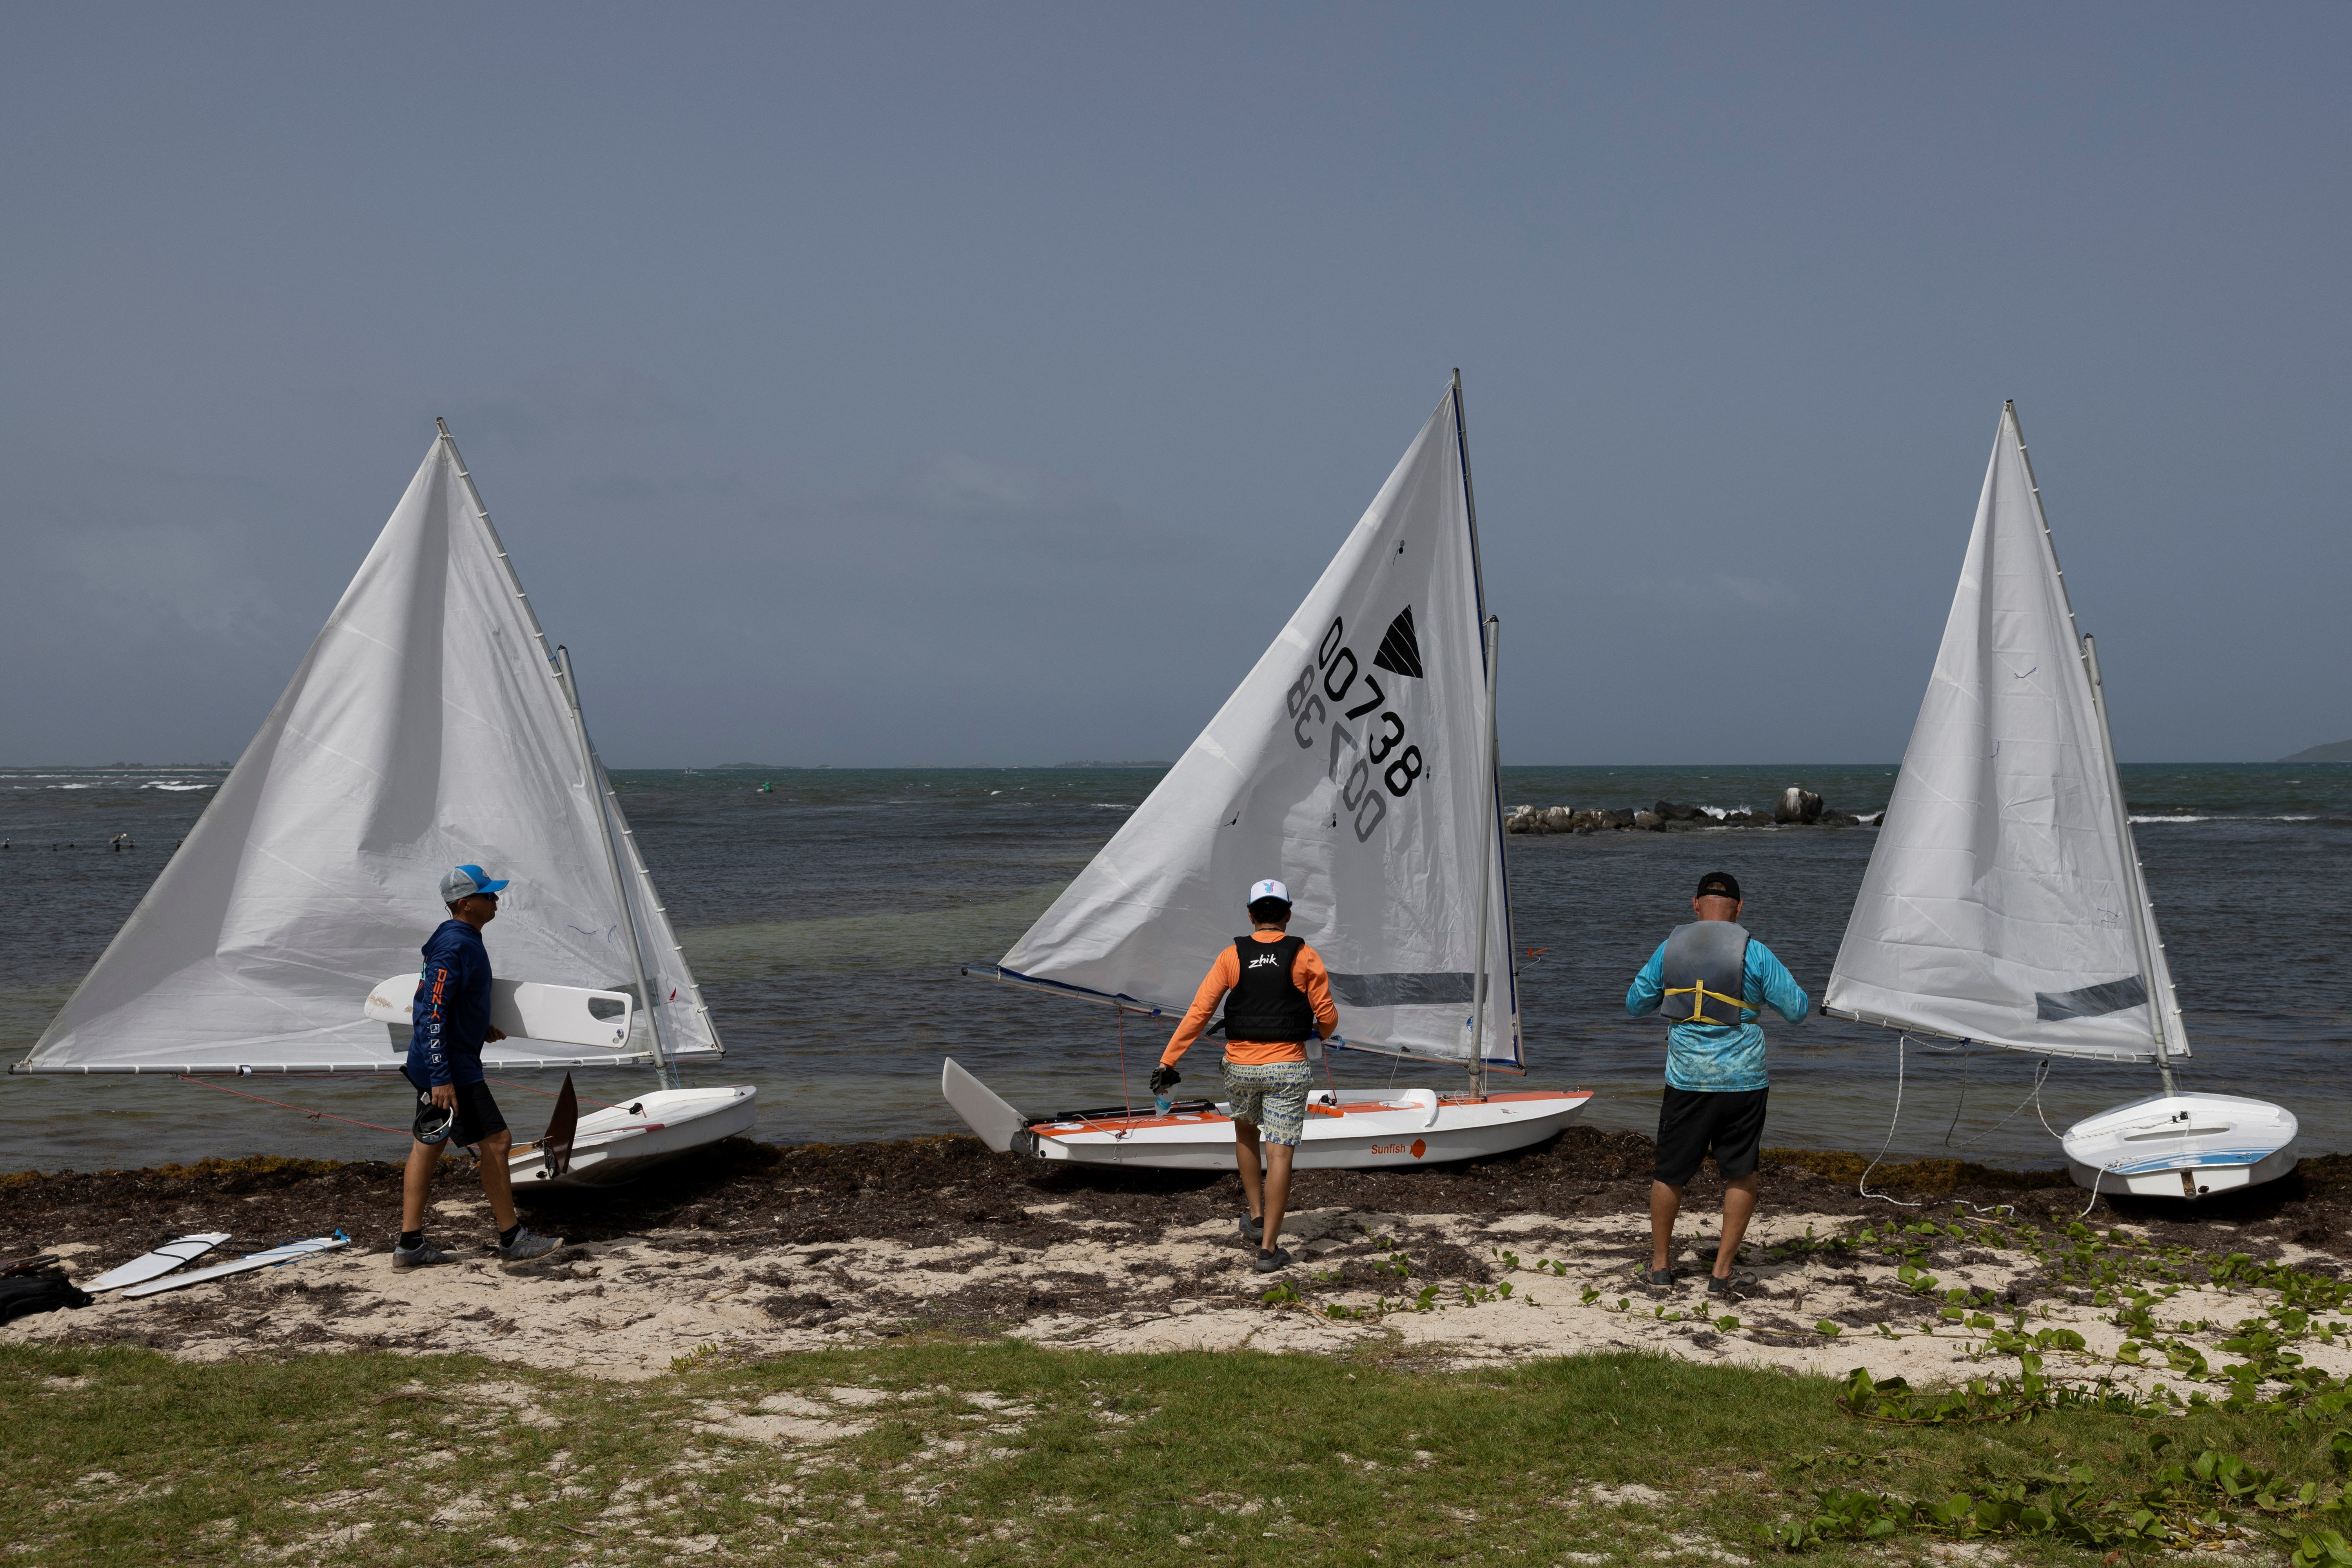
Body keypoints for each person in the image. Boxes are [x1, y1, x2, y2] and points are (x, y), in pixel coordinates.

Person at [1624, 870, 1808, 1298]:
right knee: (1740, 1172)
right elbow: (1797, 1010)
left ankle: (1660, 1268)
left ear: (1695, 905)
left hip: (1687, 1079)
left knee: (1670, 1172)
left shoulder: (1669, 949)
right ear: (1740, 908)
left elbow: (1636, 1004)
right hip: (1744, 1080)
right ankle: (1721, 1273)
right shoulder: (1756, 953)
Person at [1149, 878, 1341, 1274]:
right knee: (1281, 1151)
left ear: (1252, 915)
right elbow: (1328, 1019)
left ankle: (1255, 1217)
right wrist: (1315, 1034)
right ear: (1287, 914)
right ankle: (1269, 1250)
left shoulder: (1231, 956)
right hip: (1287, 1067)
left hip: (1240, 1066)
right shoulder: (1305, 955)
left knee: (1245, 1134)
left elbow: (1200, 1012)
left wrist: (1169, 1060)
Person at [392, 865, 560, 1267]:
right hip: (451, 1065)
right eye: (488, 895)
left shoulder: (463, 938)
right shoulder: (455, 945)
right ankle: (512, 1239)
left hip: (447, 1056)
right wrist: (441, 1077)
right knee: (498, 1142)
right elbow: (430, 1012)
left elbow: (449, 1004)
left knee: (428, 1144)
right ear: (466, 904)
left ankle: (411, 1244)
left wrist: (477, 1026)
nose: (496, 900)